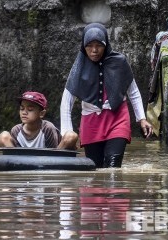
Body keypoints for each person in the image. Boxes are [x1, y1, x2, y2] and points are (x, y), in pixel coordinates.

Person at [60, 23, 153, 168]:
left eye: (99, 45)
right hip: (91, 121)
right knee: (95, 168)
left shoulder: (119, 62)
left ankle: (114, 191)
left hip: (117, 118)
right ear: (83, 46)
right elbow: (67, 100)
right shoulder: (79, 67)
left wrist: (141, 119)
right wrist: (66, 132)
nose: (94, 50)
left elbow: (133, 91)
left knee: (113, 168)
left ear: (106, 44)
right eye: (89, 45)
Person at [0, 91, 78, 149]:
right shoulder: (16, 130)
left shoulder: (48, 128)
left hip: (51, 157)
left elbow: (54, 150)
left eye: (30, 109)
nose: (24, 112)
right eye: (22, 109)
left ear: (41, 114)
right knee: (3, 136)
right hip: (21, 159)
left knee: (71, 135)